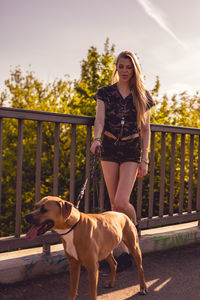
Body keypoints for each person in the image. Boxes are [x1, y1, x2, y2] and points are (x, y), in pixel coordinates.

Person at [90, 50, 155, 271]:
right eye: (121, 66)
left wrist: (145, 158)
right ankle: (125, 253)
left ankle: (134, 231)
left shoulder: (142, 95)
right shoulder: (105, 92)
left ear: (134, 68)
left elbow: (146, 130)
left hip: (131, 151)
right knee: (113, 203)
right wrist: (96, 139)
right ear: (115, 67)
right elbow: (99, 119)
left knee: (120, 201)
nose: (124, 70)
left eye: (128, 67)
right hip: (108, 149)